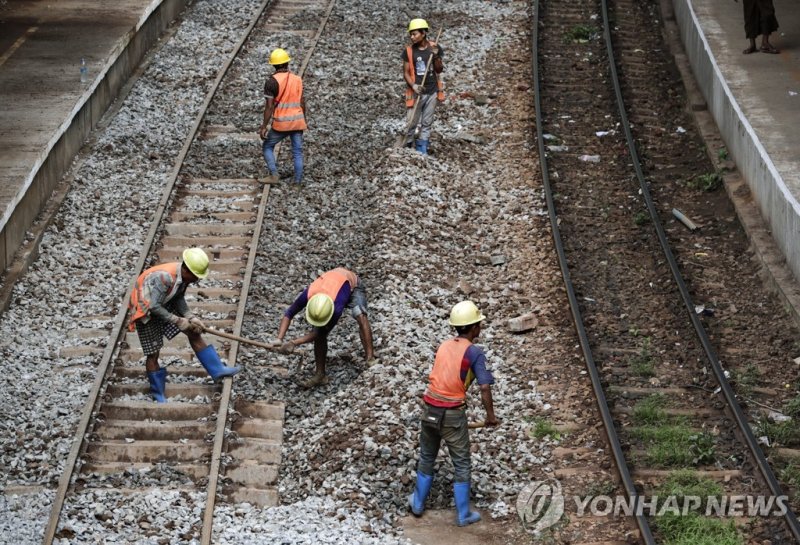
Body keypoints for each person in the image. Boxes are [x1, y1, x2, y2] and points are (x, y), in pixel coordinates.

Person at [408, 300, 499, 526]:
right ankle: (463, 515)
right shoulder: (474, 353)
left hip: (429, 408)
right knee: (461, 463)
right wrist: (490, 417)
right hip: (452, 414)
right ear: (474, 327)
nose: (480, 327)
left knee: (427, 456)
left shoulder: (444, 346)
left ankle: (418, 503)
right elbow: (485, 387)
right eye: (479, 324)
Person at [128, 248, 240, 403]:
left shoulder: (183, 277)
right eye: (195, 276)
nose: (196, 280)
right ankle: (158, 393)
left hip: (163, 301)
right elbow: (154, 306)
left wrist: (190, 317)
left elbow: (179, 298)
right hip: (145, 309)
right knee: (153, 352)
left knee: (194, 331)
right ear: (186, 269)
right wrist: (178, 320)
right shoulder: (165, 278)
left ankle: (217, 369)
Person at [273, 267, 377, 387]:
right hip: (332, 282)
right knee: (319, 331)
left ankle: (370, 358)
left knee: (360, 315)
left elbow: (319, 333)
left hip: (351, 284)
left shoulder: (337, 305)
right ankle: (320, 375)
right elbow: (289, 313)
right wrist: (279, 339)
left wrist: (293, 343)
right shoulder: (309, 293)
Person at [259, 48, 307, 183]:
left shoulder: (271, 82)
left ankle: (274, 175)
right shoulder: (297, 79)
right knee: (297, 152)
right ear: (287, 63)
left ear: (273, 65)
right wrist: (304, 120)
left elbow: (269, 107)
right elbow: (302, 102)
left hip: (281, 123)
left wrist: (264, 126)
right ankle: (297, 182)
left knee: (267, 146)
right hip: (297, 121)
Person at [402, 18, 444, 155]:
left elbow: (439, 70)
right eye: (411, 34)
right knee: (411, 122)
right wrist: (413, 86)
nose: (412, 37)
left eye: (414, 34)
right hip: (416, 92)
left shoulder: (434, 47)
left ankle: (422, 149)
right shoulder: (408, 51)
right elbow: (406, 72)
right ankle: (407, 148)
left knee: (427, 122)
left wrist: (437, 57)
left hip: (431, 91)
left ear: (423, 33)